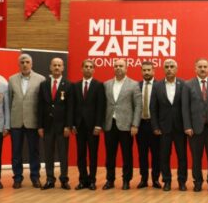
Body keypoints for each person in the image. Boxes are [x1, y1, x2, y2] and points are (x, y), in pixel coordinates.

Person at [182, 58, 208, 192]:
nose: (202, 69)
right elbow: (185, 108)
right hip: (195, 129)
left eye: (205, 66)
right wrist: (187, 126)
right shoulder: (188, 85)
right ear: (195, 69)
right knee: (196, 158)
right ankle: (198, 182)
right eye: (200, 67)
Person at [102, 59, 142, 190]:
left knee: (127, 155)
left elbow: (138, 106)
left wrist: (135, 124)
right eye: (116, 66)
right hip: (110, 124)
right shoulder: (106, 84)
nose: (118, 68)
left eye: (121, 66)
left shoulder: (134, 85)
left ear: (126, 68)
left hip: (126, 125)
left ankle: (126, 180)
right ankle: (110, 180)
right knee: (110, 155)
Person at [8, 53, 45, 189]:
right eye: (22, 62)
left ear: (31, 64)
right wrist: (8, 123)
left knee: (34, 152)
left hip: (33, 121)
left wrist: (41, 123)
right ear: (19, 64)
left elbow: (42, 103)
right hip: (16, 121)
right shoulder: (11, 79)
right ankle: (17, 178)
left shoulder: (41, 79)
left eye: (27, 62)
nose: (25, 64)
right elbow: (9, 101)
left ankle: (35, 177)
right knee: (16, 152)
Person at [151, 59, 188, 191]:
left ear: (176, 69)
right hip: (163, 128)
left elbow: (187, 107)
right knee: (164, 156)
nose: (169, 69)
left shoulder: (184, 84)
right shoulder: (157, 86)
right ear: (163, 69)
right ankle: (166, 181)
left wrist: (187, 126)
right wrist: (155, 126)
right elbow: (153, 108)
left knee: (182, 156)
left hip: (180, 127)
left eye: (172, 66)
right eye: (166, 67)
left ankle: (182, 181)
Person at [37, 57, 72, 190]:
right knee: (48, 154)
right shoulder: (44, 85)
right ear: (50, 67)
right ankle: (50, 179)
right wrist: (40, 126)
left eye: (59, 65)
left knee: (63, 154)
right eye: (54, 65)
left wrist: (68, 125)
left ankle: (64, 180)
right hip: (47, 126)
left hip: (62, 126)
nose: (57, 67)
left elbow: (70, 108)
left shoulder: (68, 85)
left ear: (63, 68)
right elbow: (40, 106)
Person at [70, 59, 105, 190]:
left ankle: (92, 181)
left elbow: (101, 107)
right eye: (86, 66)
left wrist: (98, 125)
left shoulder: (98, 85)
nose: (88, 68)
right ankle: (82, 180)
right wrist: (72, 124)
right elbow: (72, 106)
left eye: (91, 67)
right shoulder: (75, 86)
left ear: (94, 70)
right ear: (82, 69)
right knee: (81, 155)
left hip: (93, 127)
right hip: (79, 126)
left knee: (93, 155)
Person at [136, 61, 161, 189]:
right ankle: (143, 179)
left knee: (156, 154)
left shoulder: (160, 85)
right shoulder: (137, 86)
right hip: (140, 125)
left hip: (155, 125)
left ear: (153, 71)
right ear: (141, 71)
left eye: (148, 70)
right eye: (144, 70)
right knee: (142, 154)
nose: (146, 72)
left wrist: (158, 126)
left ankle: (155, 179)